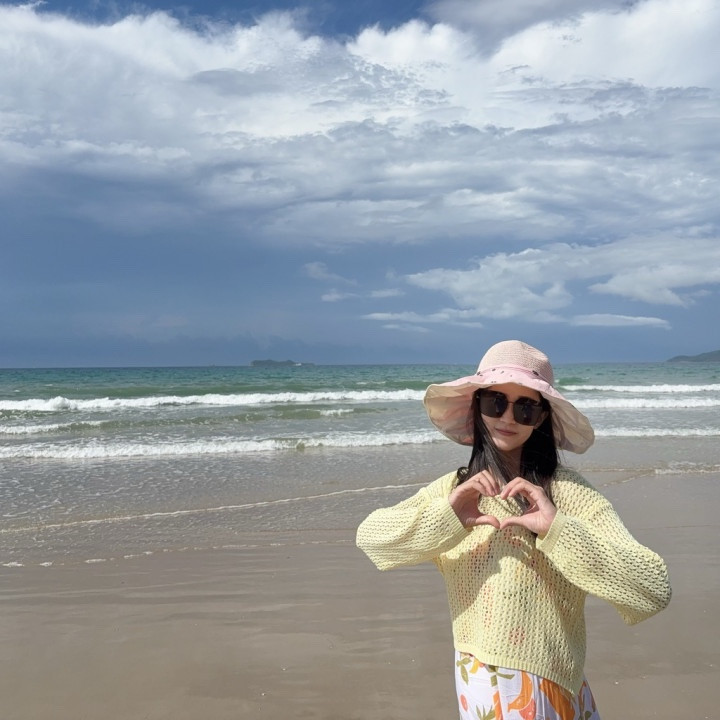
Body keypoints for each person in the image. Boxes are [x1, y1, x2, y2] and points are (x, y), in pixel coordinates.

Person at [356, 340, 671, 720]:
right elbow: (373, 539)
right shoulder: (453, 491)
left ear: (541, 418)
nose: (507, 417)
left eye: (525, 407)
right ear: (477, 406)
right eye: (495, 402)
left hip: (553, 681)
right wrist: (449, 516)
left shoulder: (567, 492)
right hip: (477, 682)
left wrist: (557, 529)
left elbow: (653, 588)